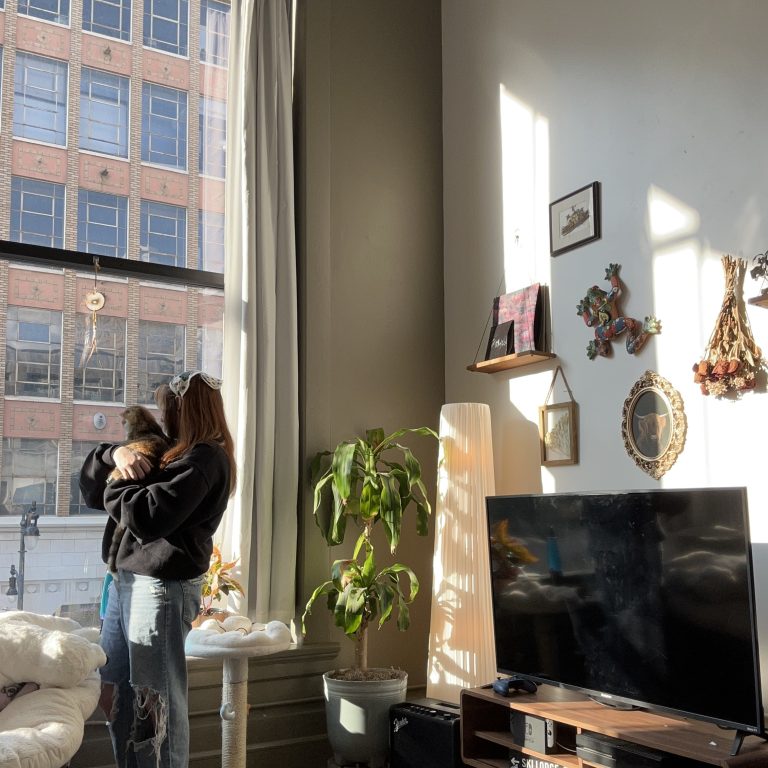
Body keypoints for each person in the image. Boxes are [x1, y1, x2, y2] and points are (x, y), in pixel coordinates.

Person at [80, 371, 237, 768]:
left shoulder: (205, 459)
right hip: (125, 581)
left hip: (161, 588)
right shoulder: (171, 450)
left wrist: (117, 479)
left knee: (157, 704)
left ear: (185, 407)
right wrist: (114, 455)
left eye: (168, 406)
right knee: (115, 691)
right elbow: (89, 490)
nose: (162, 415)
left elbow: (148, 516)